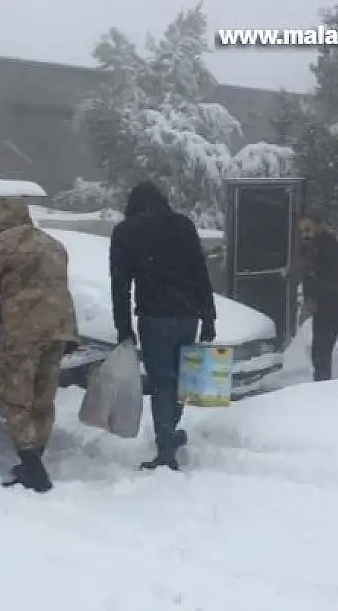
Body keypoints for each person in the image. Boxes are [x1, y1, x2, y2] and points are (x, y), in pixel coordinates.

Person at [0, 198, 78, 493]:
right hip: (60, 327)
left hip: (25, 329)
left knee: (13, 395)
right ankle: (36, 457)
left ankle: (32, 467)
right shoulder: (53, 243)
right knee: (43, 395)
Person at [110, 181, 216, 471]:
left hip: (154, 317)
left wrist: (124, 328)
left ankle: (166, 447)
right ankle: (170, 432)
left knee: (162, 382)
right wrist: (209, 316)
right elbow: (199, 271)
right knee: (184, 379)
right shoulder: (182, 225)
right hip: (187, 315)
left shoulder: (126, 232)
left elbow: (120, 286)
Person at [297, 212, 338, 381]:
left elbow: (329, 279)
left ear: (318, 227)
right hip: (323, 305)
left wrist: (311, 293)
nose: (304, 233)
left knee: (321, 351)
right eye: (301, 230)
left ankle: (322, 390)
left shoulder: (328, 246)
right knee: (319, 351)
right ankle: (321, 384)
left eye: (308, 228)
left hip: (333, 305)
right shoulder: (312, 245)